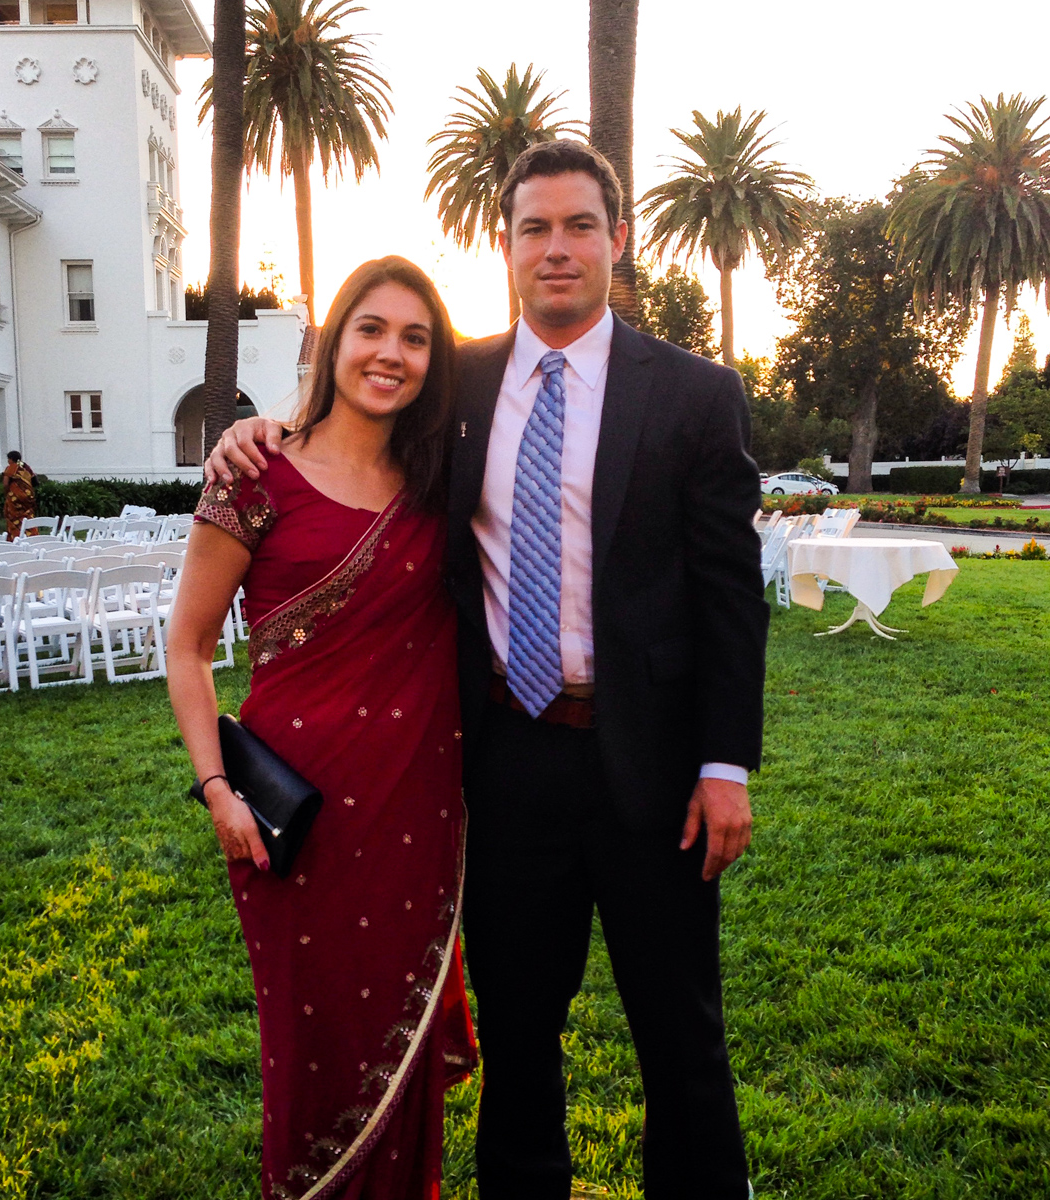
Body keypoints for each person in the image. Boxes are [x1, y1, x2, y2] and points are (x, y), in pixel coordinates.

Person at [207, 140, 769, 1200]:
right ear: (504, 246)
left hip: (656, 773)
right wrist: (258, 432)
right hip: (507, 767)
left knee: (681, 1035)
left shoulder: (695, 395)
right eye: (533, 228)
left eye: (579, 226)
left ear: (617, 239)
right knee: (518, 1036)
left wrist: (725, 763)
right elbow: (350, 418)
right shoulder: (454, 382)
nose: (556, 249)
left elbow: (731, 598)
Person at [166, 257, 477, 1200]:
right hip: (291, 823)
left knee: (398, 1060)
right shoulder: (255, 474)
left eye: (415, 338)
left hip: (413, 816)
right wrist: (217, 790)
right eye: (372, 329)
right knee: (313, 1054)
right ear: (333, 339)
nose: (391, 354)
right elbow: (187, 647)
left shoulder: (442, 482)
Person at [1, 451, 37, 540]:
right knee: (27, 516)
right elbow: (34, 481)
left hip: (15, 498)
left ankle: (15, 537)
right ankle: (31, 535)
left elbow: (5, 483)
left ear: (11, 459)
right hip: (28, 497)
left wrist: (6, 492)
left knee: (14, 518)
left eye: (8, 459)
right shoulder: (25, 467)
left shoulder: (11, 467)